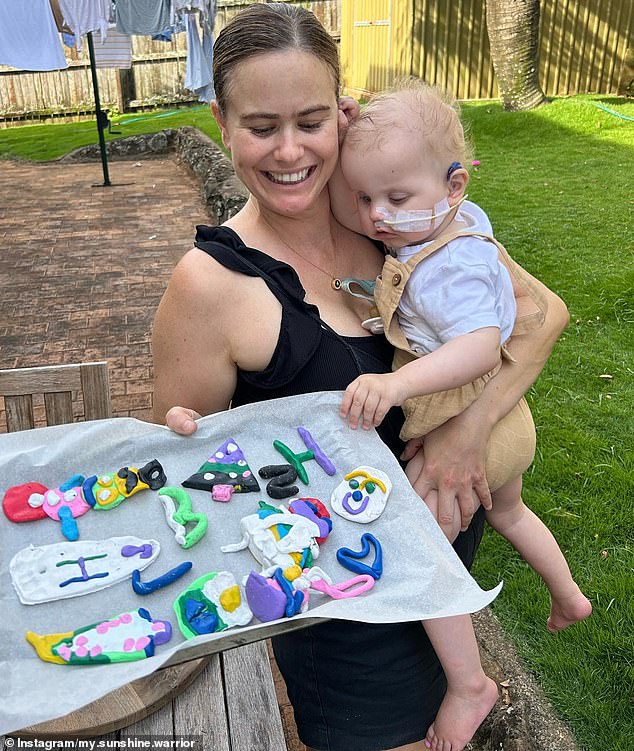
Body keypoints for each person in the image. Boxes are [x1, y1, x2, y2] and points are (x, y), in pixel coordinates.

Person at [152, 5, 572, 751]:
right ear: (220, 121)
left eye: (312, 120)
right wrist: (195, 444)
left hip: (443, 569)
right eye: (261, 126)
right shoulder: (210, 285)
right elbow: (181, 470)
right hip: (352, 619)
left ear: (344, 116)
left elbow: (543, 318)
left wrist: (466, 436)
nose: (290, 151)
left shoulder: (390, 218)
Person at [331, 80, 592, 750]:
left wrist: (396, 386)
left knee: (420, 549)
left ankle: (470, 681)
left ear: (453, 186)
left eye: (395, 199)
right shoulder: (453, 221)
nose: (377, 217)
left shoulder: (450, 267)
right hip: (510, 419)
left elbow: (479, 347)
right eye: (364, 199)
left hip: (478, 417)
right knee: (509, 512)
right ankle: (568, 593)